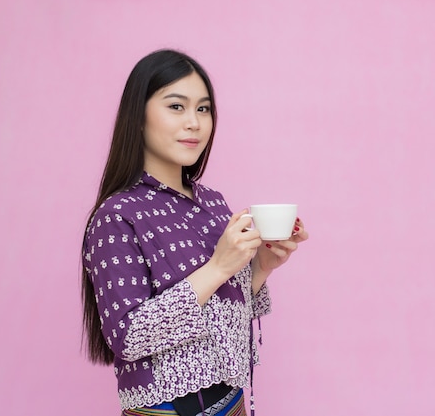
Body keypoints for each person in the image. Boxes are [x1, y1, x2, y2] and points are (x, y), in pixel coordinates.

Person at [81, 49, 308, 416]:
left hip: (233, 403)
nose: (195, 123)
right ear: (137, 117)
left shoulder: (213, 202)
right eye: (176, 106)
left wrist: (262, 265)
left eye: (203, 109)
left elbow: (221, 309)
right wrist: (218, 267)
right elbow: (127, 336)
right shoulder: (116, 215)